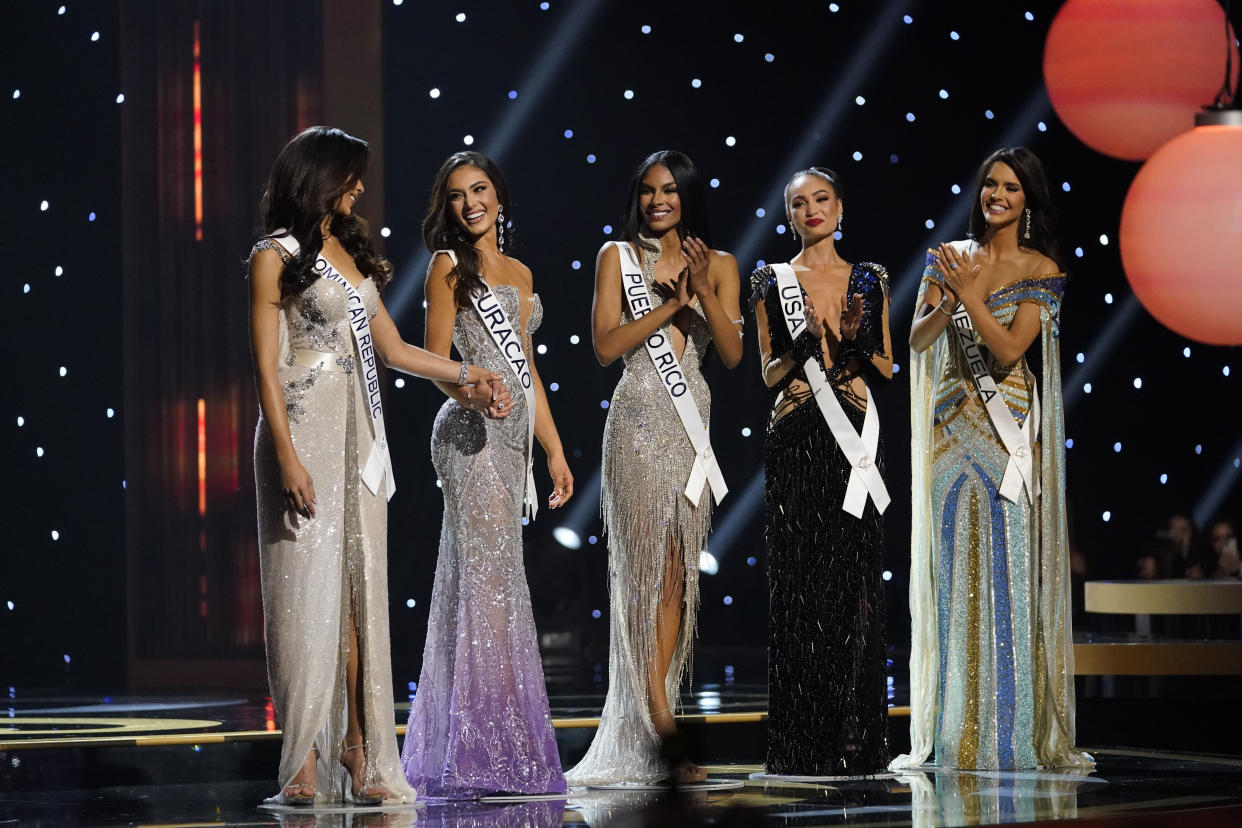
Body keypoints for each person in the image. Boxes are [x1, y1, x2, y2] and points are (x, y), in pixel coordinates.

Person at [250, 127, 508, 806]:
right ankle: (301, 756)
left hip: (359, 437)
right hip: (301, 433)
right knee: (303, 594)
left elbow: (392, 348)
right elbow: (266, 372)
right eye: (351, 176)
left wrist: (466, 372)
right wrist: (285, 456)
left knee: (360, 596)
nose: (360, 188)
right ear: (319, 177)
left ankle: (359, 750)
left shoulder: (349, 253)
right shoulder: (273, 256)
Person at [895, 147, 1092, 771]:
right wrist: (949, 297)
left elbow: (1009, 350)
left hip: (1007, 439)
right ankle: (956, 736)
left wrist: (968, 296)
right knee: (953, 582)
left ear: (1027, 198)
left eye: (1009, 186)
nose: (996, 195)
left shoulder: (1043, 268)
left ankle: (1008, 737)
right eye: (988, 184)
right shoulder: (948, 258)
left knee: (1007, 583)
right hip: (951, 434)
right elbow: (916, 339)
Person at [565, 150, 742, 786]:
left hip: (691, 420)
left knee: (675, 576)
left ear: (687, 196)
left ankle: (653, 704)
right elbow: (607, 346)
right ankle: (659, 719)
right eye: (647, 191)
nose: (656, 200)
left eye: (668, 190)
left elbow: (730, 352)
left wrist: (702, 295)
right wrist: (669, 308)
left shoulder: (719, 264)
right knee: (639, 571)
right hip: (637, 422)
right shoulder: (617, 257)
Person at [401, 151, 574, 799]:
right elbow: (431, 359)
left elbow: (528, 372)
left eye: (479, 189)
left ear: (499, 196)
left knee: (492, 587)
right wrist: (472, 392)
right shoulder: (449, 266)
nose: (469, 202)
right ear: (445, 206)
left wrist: (553, 449)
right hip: (467, 435)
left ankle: (481, 746)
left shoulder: (522, 273)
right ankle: (483, 753)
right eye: (455, 194)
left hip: (511, 439)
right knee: (489, 589)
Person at [750, 167, 893, 776]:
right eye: (798, 203)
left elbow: (886, 366)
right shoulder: (771, 280)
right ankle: (801, 741)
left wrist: (854, 338)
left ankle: (856, 739)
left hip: (854, 437)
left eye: (821, 198)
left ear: (839, 206)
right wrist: (800, 342)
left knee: (855, 588)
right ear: (788, 215)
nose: (812, 210)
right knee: (799, 586)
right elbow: (766, 373)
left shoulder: (869, 277)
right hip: (796, 437)